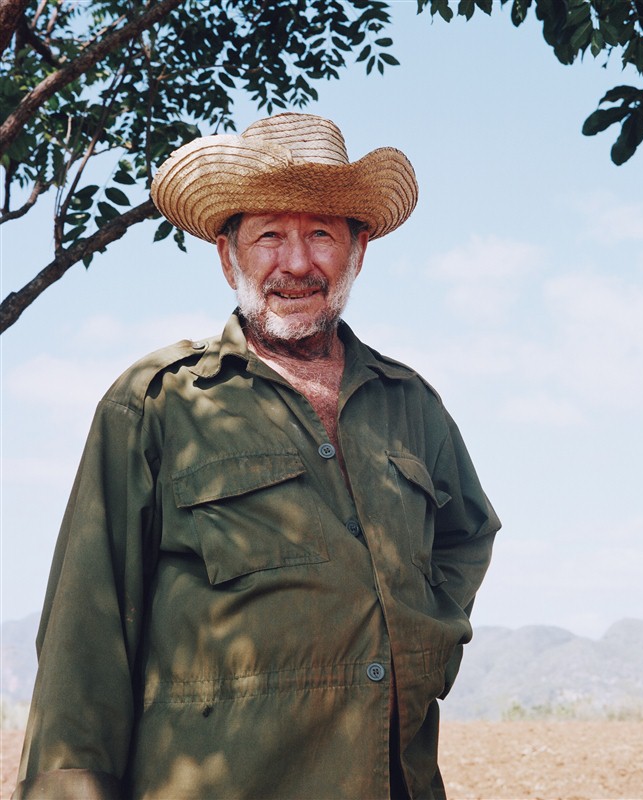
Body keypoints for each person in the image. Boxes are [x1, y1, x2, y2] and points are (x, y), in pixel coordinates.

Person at [14, 113, 500, 800]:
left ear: (358, 251)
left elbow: (466, 536)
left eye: (322, 235)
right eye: (270, 234)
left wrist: (417, 647)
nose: (296, 263)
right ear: (228, 256)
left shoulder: (412, 405)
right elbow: (83, 636)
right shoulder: (157, 404)